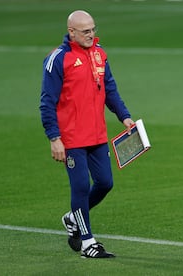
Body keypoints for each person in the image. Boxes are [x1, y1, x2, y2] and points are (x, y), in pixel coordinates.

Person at [40, 10, 134, 258]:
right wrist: (54, 137)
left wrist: (124, 116)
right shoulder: (58, 59)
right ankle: (87, 242)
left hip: (97, 135)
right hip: (71, 138)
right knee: (81, 186)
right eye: (86, 31)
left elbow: (110, 90)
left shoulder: (99, 54)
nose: (91, 34)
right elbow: (47, 102)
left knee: (105, 183)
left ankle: (73, 217)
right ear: (71, 32)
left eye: (93, 29)